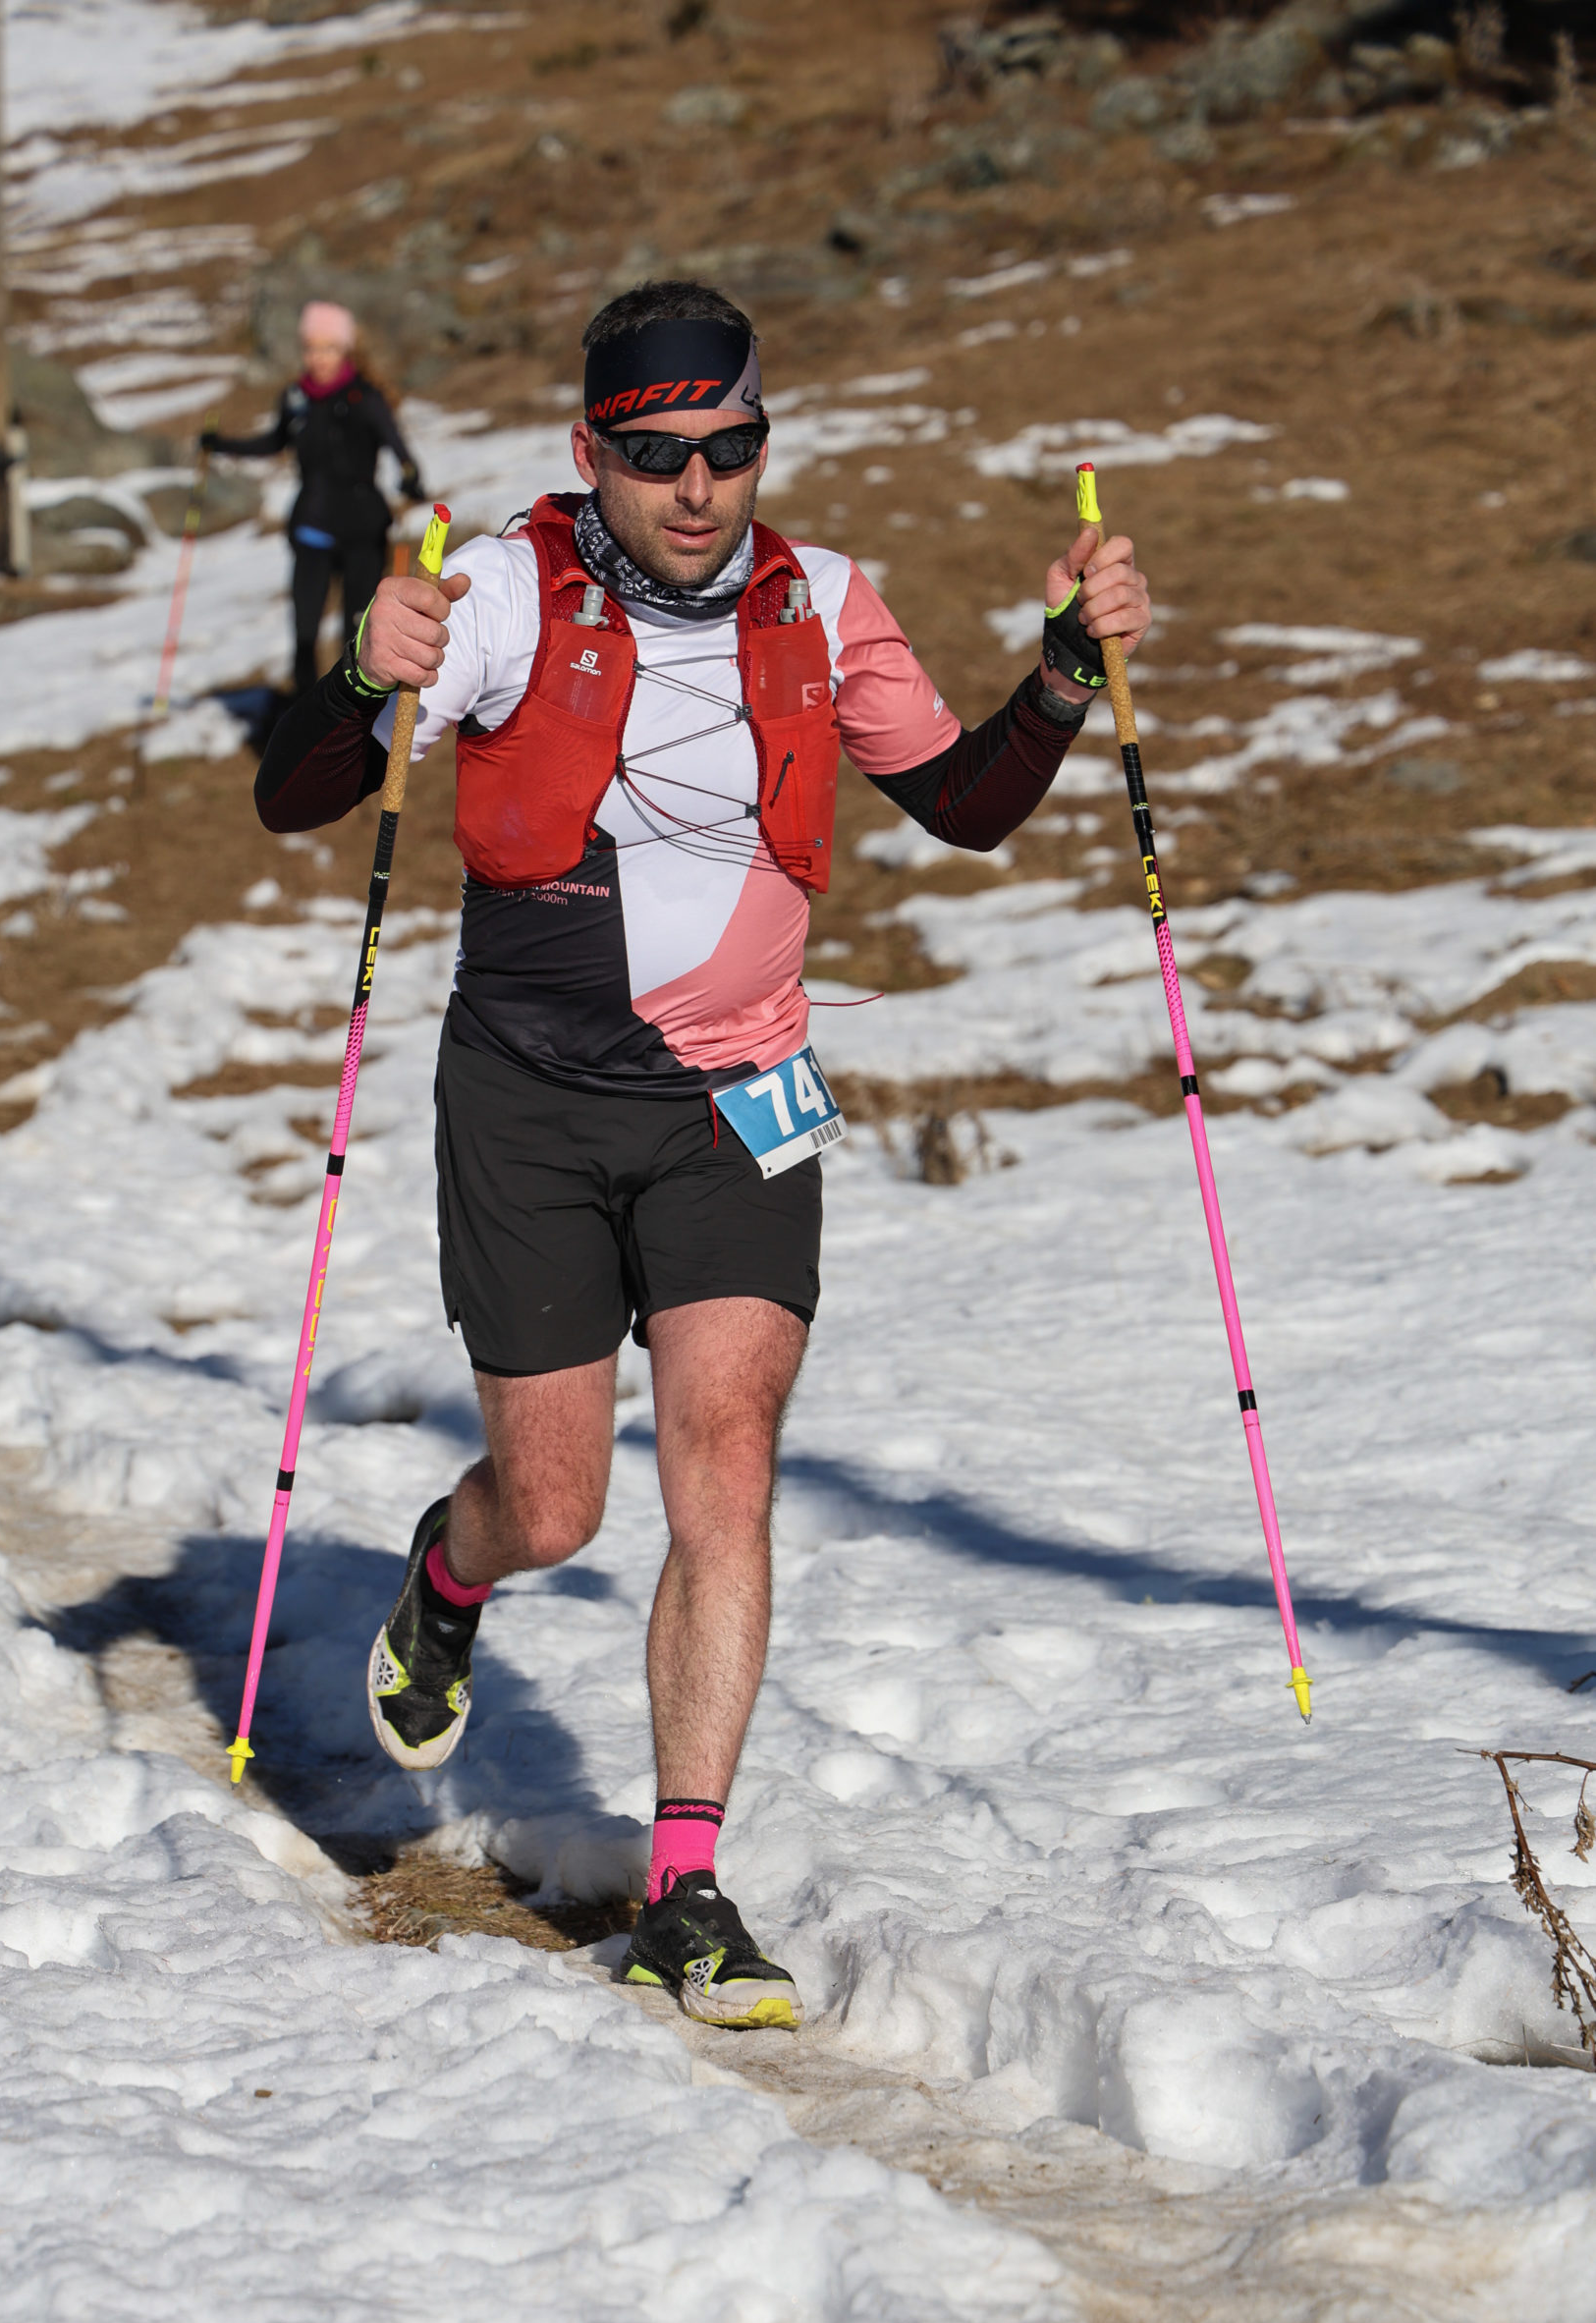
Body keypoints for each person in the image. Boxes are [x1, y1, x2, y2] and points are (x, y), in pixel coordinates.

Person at [253, 279, 1151, 2030]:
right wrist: (362, 669)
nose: (696, 486)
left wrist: (1060, 671)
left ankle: (685, 1886)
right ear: (589, 450)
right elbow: (297, 796)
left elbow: (965, 805)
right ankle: (450, 1571)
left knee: (723, 1468)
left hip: (739, 1099)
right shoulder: (506, 593)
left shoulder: (824, 605)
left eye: (729, 447)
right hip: (528, 1101)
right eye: (655, 453)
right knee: (556, 1506)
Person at [204, 301, 425, 693]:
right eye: (310, 348)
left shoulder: (365, 398)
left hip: (362, 530)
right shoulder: (295, 398)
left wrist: (411, 479)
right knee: (304, 633)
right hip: (312, 526)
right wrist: (222, 445)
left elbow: (400, 450)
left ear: (345, 350)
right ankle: (301, 711)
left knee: (356, 634)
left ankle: (352, 715)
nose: (317, 357)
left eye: (328, 348)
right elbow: (274, 441)